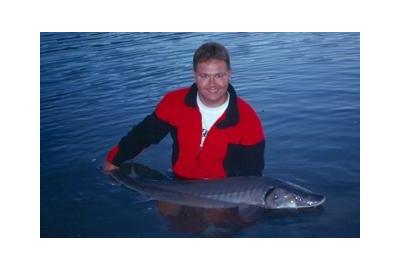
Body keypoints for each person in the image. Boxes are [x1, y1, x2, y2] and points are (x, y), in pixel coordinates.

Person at [104, 42, 265, 180]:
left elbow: (252, 175)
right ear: (194, 75)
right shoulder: (174, 102)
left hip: (219, 188)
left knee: (215, 217)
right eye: (204, 76)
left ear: (230, 74)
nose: (212, 84)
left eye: (219, 76)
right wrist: (114, 160)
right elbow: (142, 135)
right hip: (178, 181)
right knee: (168, 211)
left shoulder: (248, 119)